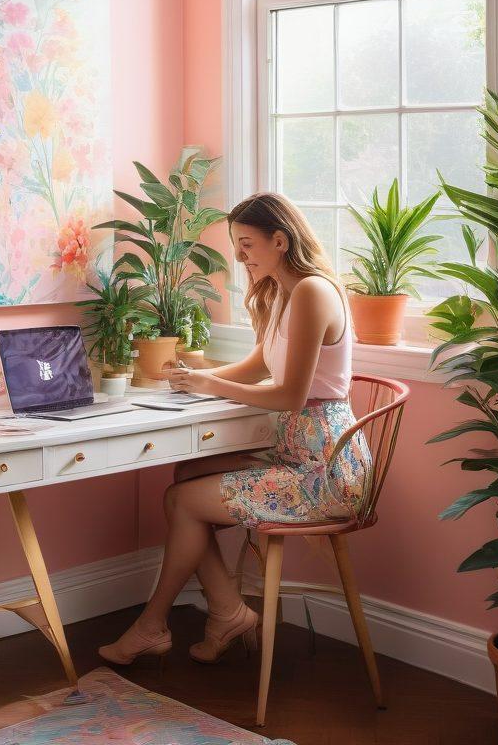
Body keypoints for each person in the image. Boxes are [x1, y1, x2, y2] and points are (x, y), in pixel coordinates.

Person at [99, 192, 371, 666]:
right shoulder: (284, 292)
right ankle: (226, 612)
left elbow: (290, 396)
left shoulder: (313, 291)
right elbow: (256, 367)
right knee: (186, 476)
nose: (241, 257)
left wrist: (208, 383)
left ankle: (154, 624)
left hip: (325, 470)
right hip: (295, 452)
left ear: (280, 241)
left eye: (247, 245)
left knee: (183, 500)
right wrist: (193, 379)